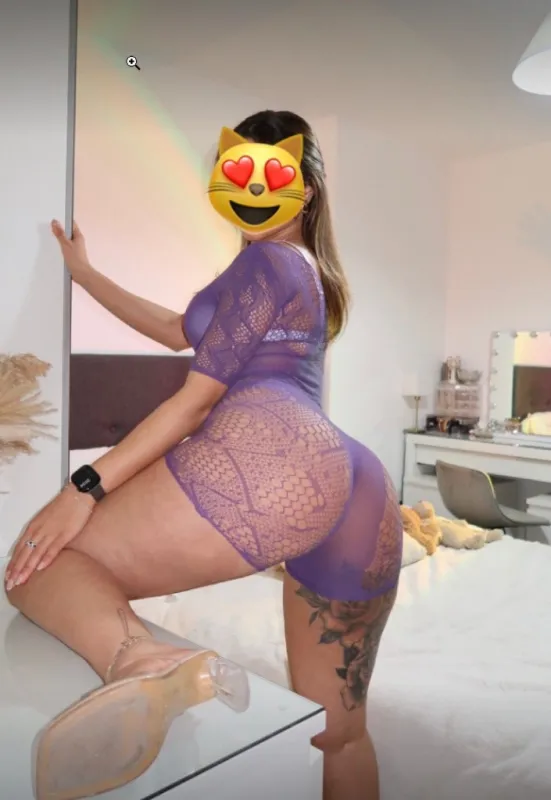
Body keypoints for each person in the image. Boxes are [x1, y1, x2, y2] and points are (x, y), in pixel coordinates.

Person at [5, 110, 403, 800]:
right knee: (338, 734)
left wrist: (82, 487)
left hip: (271, 458)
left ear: (302, 189)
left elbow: (193, 403)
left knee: (37, 566)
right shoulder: (298, 271)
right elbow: (172, 329)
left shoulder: (267, 261)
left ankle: (147, 663)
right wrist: (85, 275)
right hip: (356, 483)